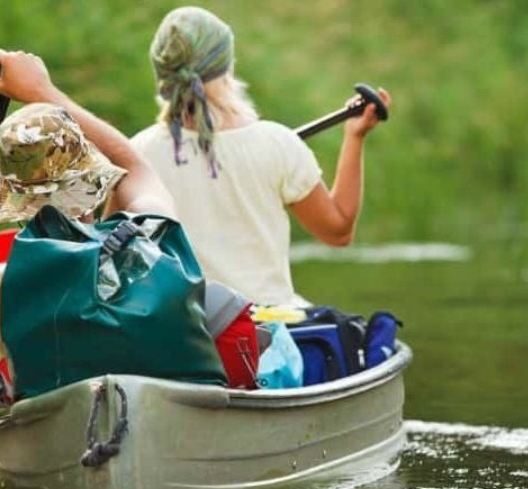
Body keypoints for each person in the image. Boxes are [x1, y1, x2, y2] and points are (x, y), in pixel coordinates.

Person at [0, 49, 223, 391]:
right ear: (94, 183)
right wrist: (41, 91)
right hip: (188, 414)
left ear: (15, 203)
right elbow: (133, 165)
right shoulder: (154, 229)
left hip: (70, 433)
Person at [129, 6, 392, 307]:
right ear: (225, 67)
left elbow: (113, 251)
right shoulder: (276, 143)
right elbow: (338, 231)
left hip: (181, 330)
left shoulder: (137, 153)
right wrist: (355, 136)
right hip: (266, 330)